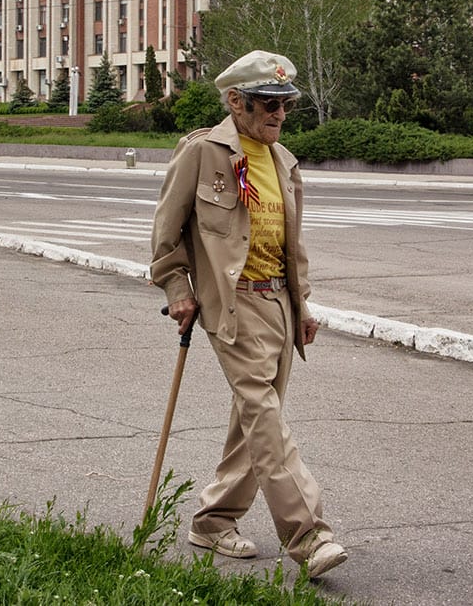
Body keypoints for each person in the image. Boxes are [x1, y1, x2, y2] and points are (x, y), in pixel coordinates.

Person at [150, 49, 348, 581]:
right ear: (236, 102)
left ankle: (214, 520)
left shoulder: (284, 161)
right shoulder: (201, 152)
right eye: (268, 103)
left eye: (285, 104)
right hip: (231, 304)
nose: (279, 114)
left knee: (252, 420)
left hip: (280, 305)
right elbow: (165, 235)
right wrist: (177, 288)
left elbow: (292, 244)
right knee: (264, 413)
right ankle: (309, 535)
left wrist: (303, 304)